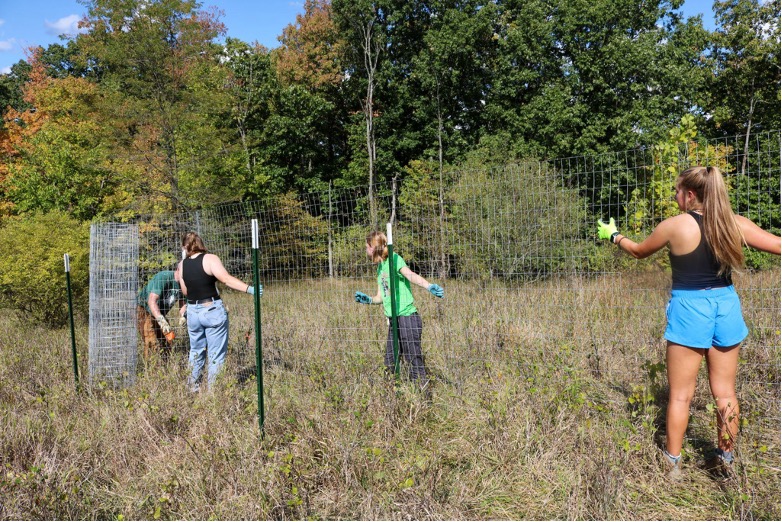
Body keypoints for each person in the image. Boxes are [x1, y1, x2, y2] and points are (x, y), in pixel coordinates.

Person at [597, 166, 780, 480]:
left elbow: (639, 252)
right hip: (726, 304)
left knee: (681, 395)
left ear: (691, 194)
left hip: (689, 308)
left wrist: (614, 235)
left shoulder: (675, 226)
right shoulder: (734, 223)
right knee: (725, 393)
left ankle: (672, 465)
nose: (675, 195)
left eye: (677, 190)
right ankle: (726, 460)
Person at [354, 230, 444, 387]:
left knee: (413, 361)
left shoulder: (394, 259)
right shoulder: (380, 269)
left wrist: (428, 286)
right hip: (394, 320)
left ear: (373, 246)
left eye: (366, 247)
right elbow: (381, 297)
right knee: (390, 363)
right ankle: (392, 397)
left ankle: (423, 397)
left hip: (407, 318)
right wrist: (368, 300)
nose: (365, 250)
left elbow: (410, 275)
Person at [177, 232, 262, 391]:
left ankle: (193, 389)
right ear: (200, 243)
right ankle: (213, 394)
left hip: (193, 312)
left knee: (196, 352)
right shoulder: (210, 259)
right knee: (215, 355)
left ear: (185, 247)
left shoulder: (182, 265)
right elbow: (226, 279)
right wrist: (249, 289)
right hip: (211, 310)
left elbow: (185, 291)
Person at [136, 266, 186, 360]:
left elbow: (183, 303)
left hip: (159, 312)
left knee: (168, 338)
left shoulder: (184, 284)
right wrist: (161, 320)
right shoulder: (163, 277)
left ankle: (166, 364)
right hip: (144, 309)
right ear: (178, 270)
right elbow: (151, 301)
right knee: (150, 340)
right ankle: (151, 368)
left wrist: (184, 316)